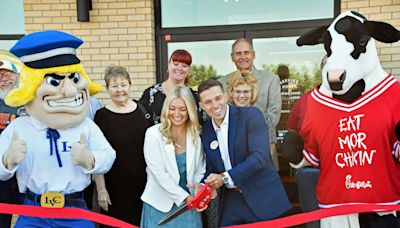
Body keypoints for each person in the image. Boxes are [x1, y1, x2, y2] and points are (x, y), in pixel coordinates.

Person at [0, 30, 116, 227]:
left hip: (75, 209)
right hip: (33, 211)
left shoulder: (85, 125)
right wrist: (6, 161)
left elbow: (109, 155)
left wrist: (90, 159)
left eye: (75, 79)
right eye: (54, 81)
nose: (70, 90)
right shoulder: (19, 127)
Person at [198, 79, 291, 226]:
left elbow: (260, 157)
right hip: (230, 202)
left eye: (218, 98)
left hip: (262, 198)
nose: (215, 105)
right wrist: (204, 185)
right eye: (208, 102)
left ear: (226, 96)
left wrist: (224, 177)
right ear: (201, 106)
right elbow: (212, 167)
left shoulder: (251, 115)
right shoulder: (206, 131)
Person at [140, 86, 206, 228]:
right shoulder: (153, 134)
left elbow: (200, 168)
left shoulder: (196, 135)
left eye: (182, 109)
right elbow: (158, 173)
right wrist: (184, 197)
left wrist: (198, 191)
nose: (177, 114)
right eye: (172, 108)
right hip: (160, 206)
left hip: (189, 207)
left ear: (190, 110)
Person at [93, 65, 150, 226]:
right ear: (107, 88)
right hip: (113, 188)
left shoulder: (143, 110)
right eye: (114, 86)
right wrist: (101, 189)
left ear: (130, 85)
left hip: (144, 185)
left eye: (123, 85)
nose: (120, 90)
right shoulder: (101, 116)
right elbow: (97, 155)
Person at [218, 38, 282, 170]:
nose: (243, 57)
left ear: (253, 55)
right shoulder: (222, 83)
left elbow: (273, 115)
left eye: (246, 53)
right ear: (232, 57)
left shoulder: (271, 80)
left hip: (263, 150)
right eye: (238, 53)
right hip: (232, 155)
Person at [139, 49, 206, 126]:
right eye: (176, 64)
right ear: (168, 66)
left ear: (188, 70)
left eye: (184, 66)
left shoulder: (194, 97)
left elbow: (200, 124)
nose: (179, 68)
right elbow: (141, 120)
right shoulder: (151, 93)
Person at [0, 59, 23, 228]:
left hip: (24, 171)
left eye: (8, 74)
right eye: (0, 76)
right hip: (1, 171)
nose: (5, 79)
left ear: (17, 76)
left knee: (30, 215)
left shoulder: (27, 101)